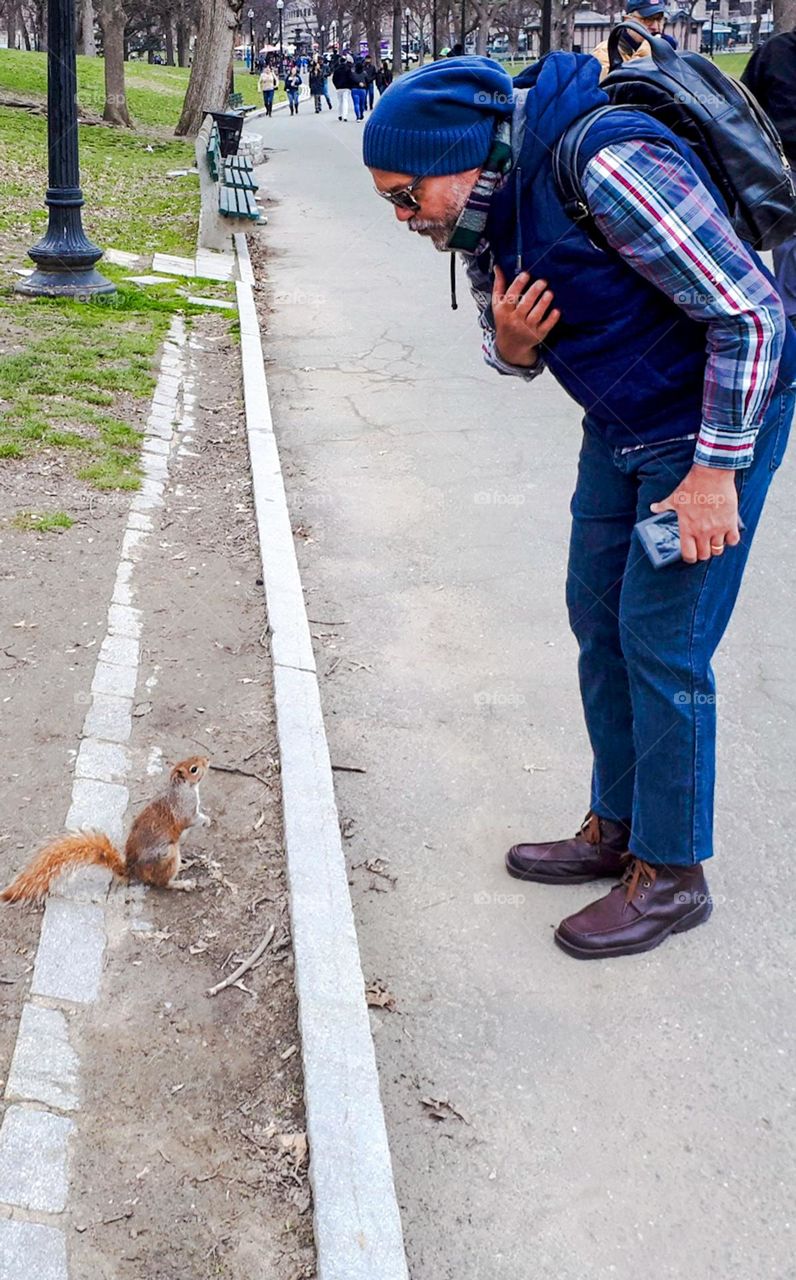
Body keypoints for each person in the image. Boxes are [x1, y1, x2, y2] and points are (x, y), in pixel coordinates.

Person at [363, 56, 796, 959]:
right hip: (624, 420)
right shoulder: (486, 213)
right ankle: (619, 825)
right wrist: (515, 349)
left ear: (461, 153)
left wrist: (716, 472)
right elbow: (503, 341)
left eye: (408, 196)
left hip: (712, 423)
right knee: (596, 617)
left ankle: (673, 873)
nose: (405, 221)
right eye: (391, 205)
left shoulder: (604, 165)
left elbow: (753, 315)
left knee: (662, 639)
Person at [742, 24, 796, 325]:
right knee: (789, 240)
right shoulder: (775, 53)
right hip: (784, 162)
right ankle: (791, 315)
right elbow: (745, 105)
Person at [591, 0, 666, 80]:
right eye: (647, 20)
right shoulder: (605, 52)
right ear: (628, 20)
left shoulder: (663, 52)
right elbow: (612, 88)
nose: (655, 27)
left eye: (659, 19)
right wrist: (645, 55)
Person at [332, 55, 353, 121]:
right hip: (346, 87)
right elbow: (350, 78)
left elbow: (334, 79)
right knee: (345, 101)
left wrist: (336, 86)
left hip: (339, 87)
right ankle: (345, 116)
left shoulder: (337, 69)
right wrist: (350, 86)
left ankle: (340, 115)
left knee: (340, 102)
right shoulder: (348, 69)